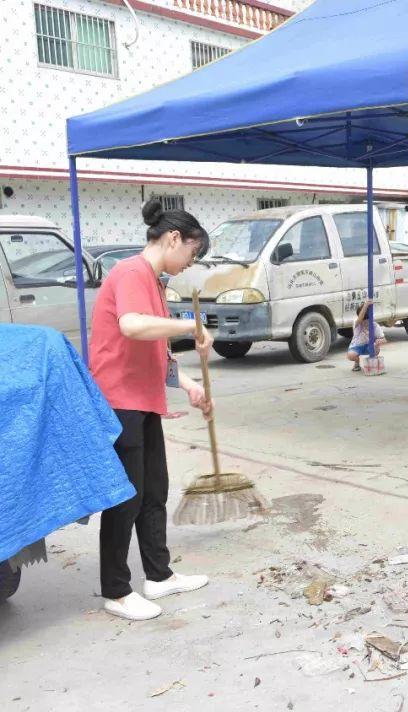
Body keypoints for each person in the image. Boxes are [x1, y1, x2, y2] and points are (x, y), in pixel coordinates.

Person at [89, 199, 215, 621]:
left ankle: (158, 575)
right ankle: (116, 591)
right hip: (118, 400)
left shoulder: (154, 281)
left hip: (142, 399)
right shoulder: (131, 272)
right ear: (174, 238)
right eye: (192, 253)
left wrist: (189, 383)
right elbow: (131, 324)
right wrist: (189, 324)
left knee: (154, 491)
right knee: (127, 496)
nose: (189, 263)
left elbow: (153, 348)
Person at [346, 301, 386, 371]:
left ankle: (373, 363)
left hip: (369, 346)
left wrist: (379, 341)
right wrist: (365, 306)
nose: (364, 322)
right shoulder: (357, 323)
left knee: (375, 348)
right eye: (363, 320)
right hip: (357, 346)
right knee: (351, 355)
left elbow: (384, 339)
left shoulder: (374, 325)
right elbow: (360, 319)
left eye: (367, 320)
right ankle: (357, 363)